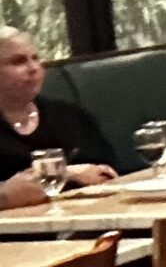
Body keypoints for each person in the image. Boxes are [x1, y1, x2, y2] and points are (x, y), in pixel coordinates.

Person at [0, 22, 120, 207]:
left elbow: (111, 174)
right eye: (18, 61)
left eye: (35, 58)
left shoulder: (70, 116)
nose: (34, 68)